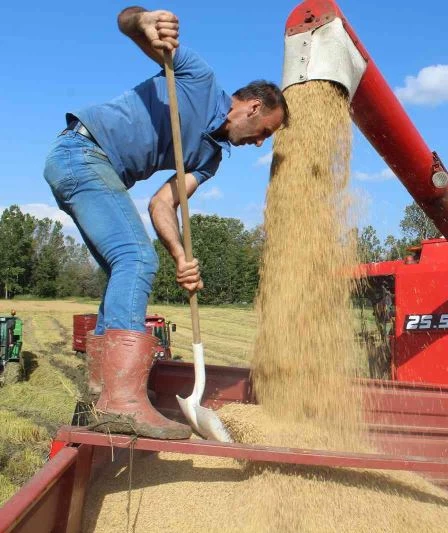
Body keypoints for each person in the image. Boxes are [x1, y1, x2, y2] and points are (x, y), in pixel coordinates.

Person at [43, 7, 288, 439]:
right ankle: (120, 401)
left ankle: (101, 397)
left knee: (124, 267)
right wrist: (144, 22)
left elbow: (162, 203)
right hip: (82, 153)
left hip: (97, 171)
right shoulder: (199, 80)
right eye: (264, 131)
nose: (260, 143)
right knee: (136, 258)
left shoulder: (211, 158)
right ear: (252, 107)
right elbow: (130, 24)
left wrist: (181, 258)